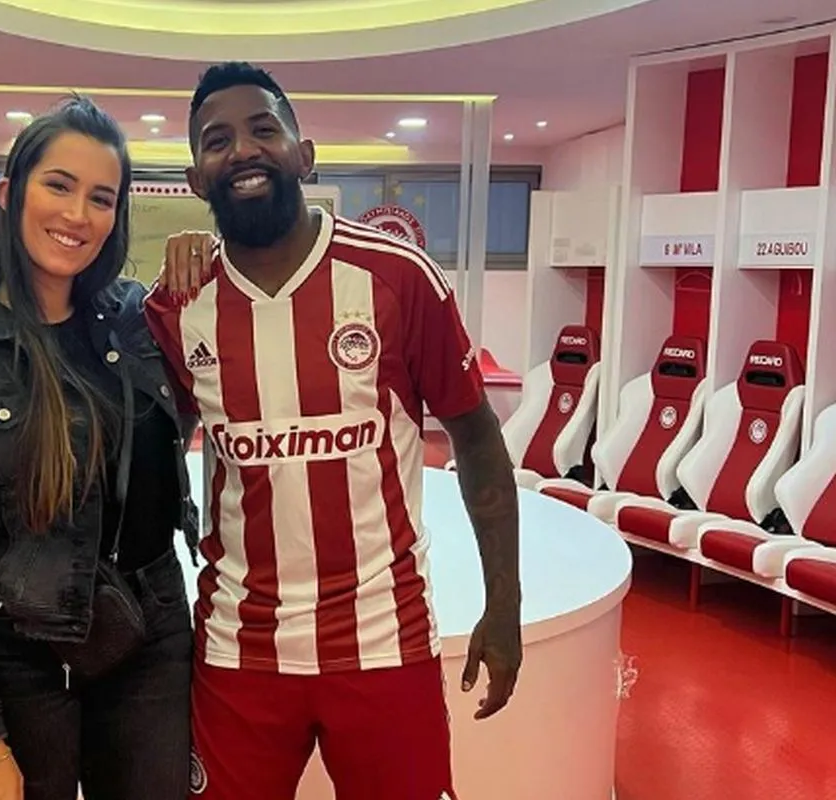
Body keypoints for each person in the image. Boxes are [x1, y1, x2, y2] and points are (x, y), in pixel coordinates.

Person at [146, 62, 523, 799]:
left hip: (385, 641)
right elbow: (154, 445)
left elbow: (477, 439)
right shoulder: (177, 305)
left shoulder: (398, 277)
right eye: (217, 141)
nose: (242, 150)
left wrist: (503, 606)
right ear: (196, 179)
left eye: (263, 129)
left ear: (305, 155)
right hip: (238, 650)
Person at [0, 95, 200, 800]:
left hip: (151, 637)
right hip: (21, 658)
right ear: (10, 193)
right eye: (58, 185)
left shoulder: (141, 324)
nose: (77, 214)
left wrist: (208, 254)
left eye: (101, 198)